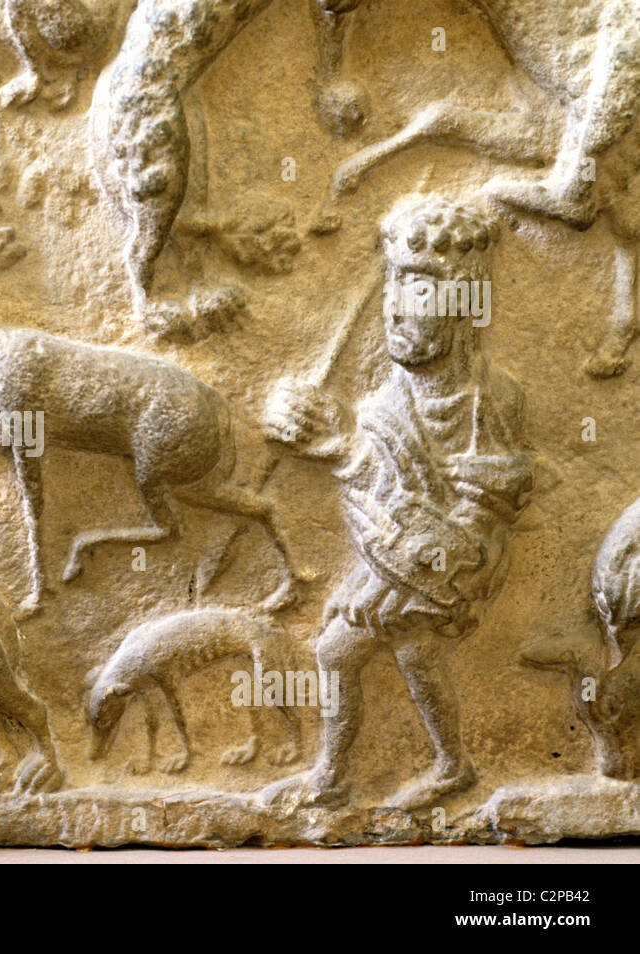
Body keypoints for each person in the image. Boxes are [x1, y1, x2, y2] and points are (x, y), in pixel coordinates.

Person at [263, 194, 534, 810]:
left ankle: (389, 772)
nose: (396, 311)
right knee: (389, 654)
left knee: (374, 650)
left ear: (465, 307)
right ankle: (404, 770)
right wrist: (311, 430)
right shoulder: (386, 400)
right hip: (396, 551)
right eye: (393, 290)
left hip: (448, 563)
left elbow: (486, 503)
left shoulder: (488, 401)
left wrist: (340, 450)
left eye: (419, 293)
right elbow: (376, 485)